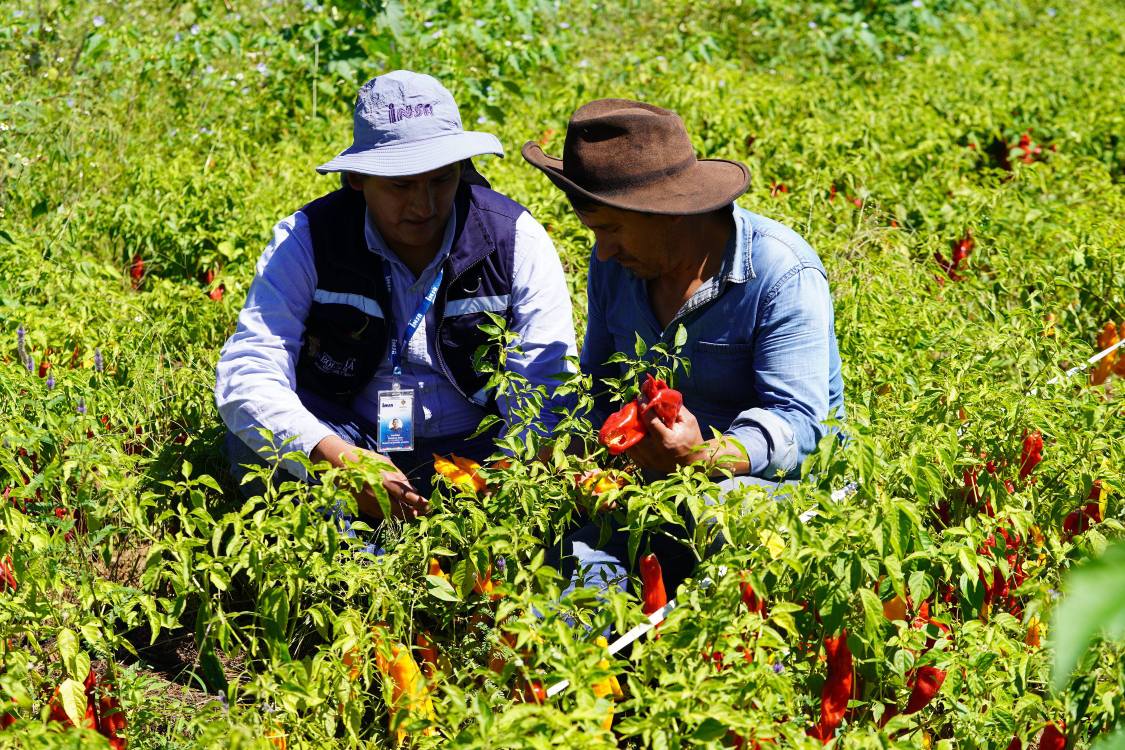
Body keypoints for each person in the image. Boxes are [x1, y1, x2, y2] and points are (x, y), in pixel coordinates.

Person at [216, 70, 577, 523]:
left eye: (441, 180)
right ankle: (351, 561)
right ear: (357, 179)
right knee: (253, 443)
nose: (423, 206)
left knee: (564, 454)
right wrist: (339, 459)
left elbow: (545, 382)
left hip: (483, 445)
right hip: (352, 435)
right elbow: (249, 371)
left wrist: (505, 480)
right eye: (401, 185)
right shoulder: (309, 238)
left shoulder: (513, 237)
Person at [522, 98, 844, 593]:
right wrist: (582, 455)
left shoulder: (781, 271)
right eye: (595, 232)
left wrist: (703, 456)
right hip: (656, 481)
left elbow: (803, 429)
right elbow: (602, 386)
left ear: (668, 213)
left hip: (769, 487)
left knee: (716, 522)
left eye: (611, 229)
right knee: (558, 565)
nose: (602, 250)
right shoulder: (615, 264)